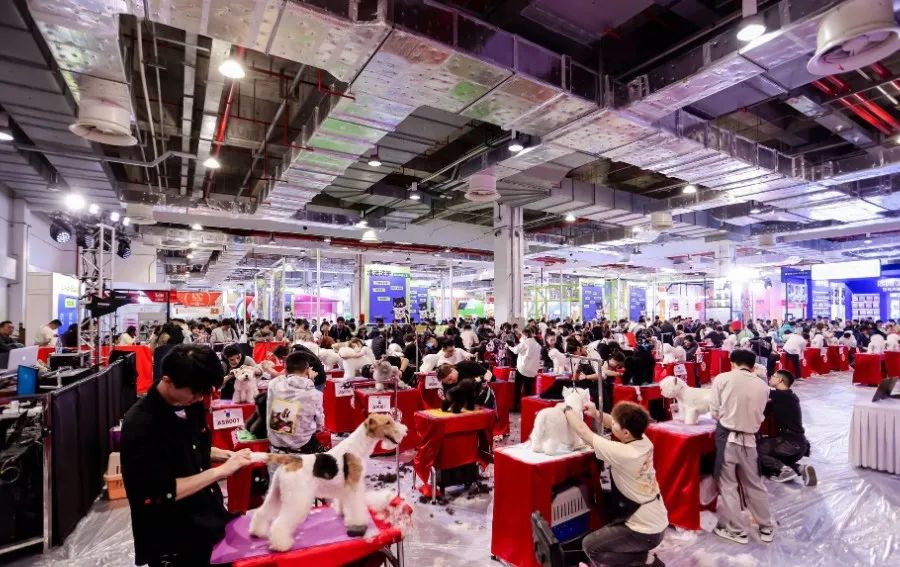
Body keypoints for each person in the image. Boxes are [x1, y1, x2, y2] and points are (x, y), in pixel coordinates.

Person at [121, 344, 253, 566]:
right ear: (168, 380)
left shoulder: (191, 404)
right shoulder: (141, 425)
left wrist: (227, 455)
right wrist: (220, 472)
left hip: (208, 519)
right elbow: (161, 493)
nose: (200, 398)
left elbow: (192, 447)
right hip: (172, 536)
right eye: (195, 391)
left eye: (204, 392)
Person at [560, 401, 666, 567]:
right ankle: (641, 554)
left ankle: (642, 560)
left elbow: (583, 432)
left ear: (626, 433)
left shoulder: (624, 454)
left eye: (616, 423)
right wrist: (596, 414)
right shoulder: (643, 440)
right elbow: (614, 424)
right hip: (656, 522)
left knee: (590, 547)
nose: (612, 423)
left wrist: (565, 408)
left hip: (645, 532)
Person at [709, 349, 774, 545]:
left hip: (727, 437)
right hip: (750, 440)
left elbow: (714, 412)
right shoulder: (763, 386)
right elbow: (762, 414)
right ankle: (766, 526)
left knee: (728, 484)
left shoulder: (722, 379)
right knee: (754, 483)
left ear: (732, 363)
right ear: (753, 366)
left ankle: (736, 529)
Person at [758, 370, 817, 485]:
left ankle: (783, 470)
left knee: (755, 449)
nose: (771, 377)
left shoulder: (781, 395)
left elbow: (759, 390)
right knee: (773, 459)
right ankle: (800, 469)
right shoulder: (789, 396)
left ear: (780, 380)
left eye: (774, 376)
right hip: (799, 444)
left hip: (789, 444)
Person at [266, 351, 326, 454]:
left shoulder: (274, 385)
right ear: (307, 370)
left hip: (276, 445)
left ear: (286, 369)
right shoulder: (314, 394)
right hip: (301, 446)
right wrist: (311, 380)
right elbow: (320, 424)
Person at [509, 328, 542, 412]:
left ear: (525, 335)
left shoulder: (525, 342)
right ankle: (527, 409)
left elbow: (515, 350)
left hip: (522, 369)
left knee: (517, 388)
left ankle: (516, 407)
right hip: (532, 371)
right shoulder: (537, 345)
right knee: (528, 391)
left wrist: (508, 347)